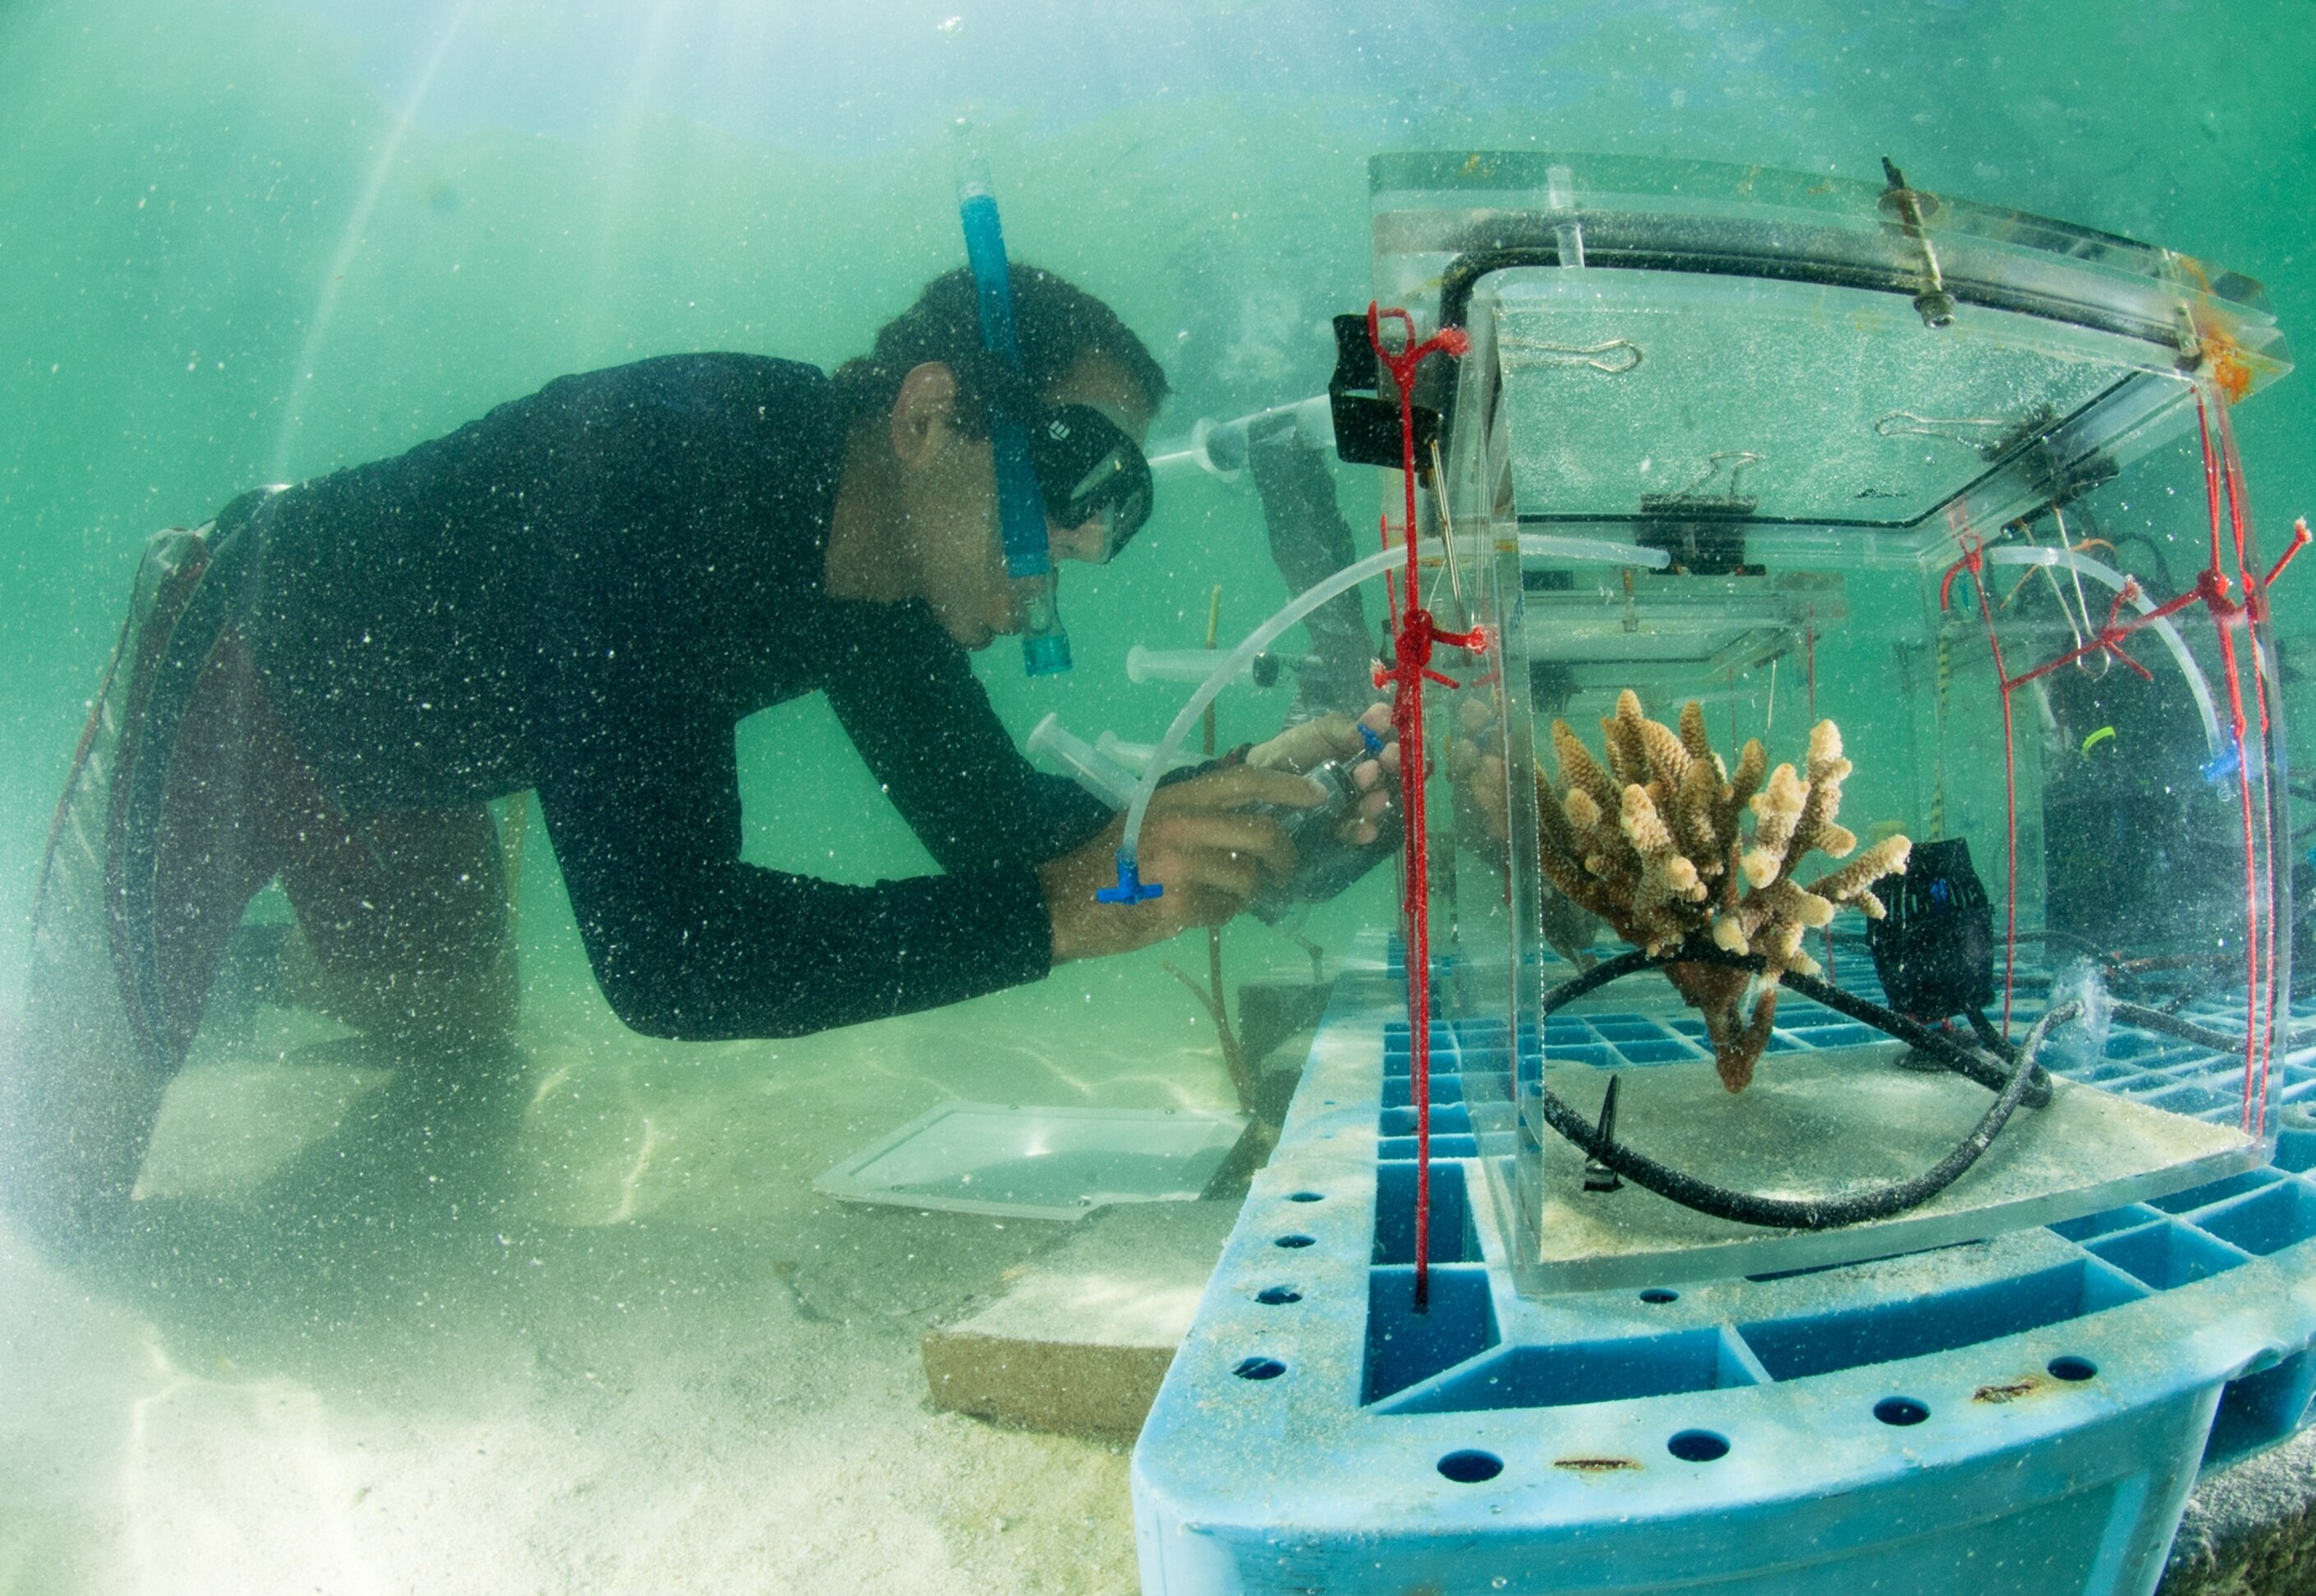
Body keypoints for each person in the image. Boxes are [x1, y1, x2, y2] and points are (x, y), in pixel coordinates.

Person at [4, 264, 1394, 1241]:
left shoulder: (886, 578)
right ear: (925, 414)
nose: (1091, 541)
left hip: (418, 769)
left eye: (1124, 505)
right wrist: (1062, 910)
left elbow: (1005, 837)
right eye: (1080, 471)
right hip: (241, 675)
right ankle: (126, 985)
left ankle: (244, 975)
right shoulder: (665, 472)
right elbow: (671, 962)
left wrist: (1252, 814)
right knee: (55, 1193)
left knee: (456, 1053)